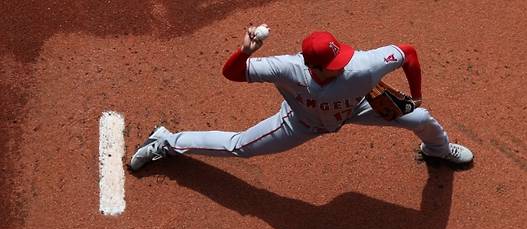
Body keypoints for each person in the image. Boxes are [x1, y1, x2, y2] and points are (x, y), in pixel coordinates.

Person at [129, 26, 474, 171]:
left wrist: (416, 95)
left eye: (342, 59)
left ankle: (437, 151)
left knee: (421, 118)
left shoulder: (363, 65)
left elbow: (408, 53)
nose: (343, 67)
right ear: (311, 65)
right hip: (300, 122)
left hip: (359, 107)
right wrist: (244, 51)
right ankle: (167, 141)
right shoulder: (286, 69)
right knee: (240, 147)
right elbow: (232, 74)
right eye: (333, 66)